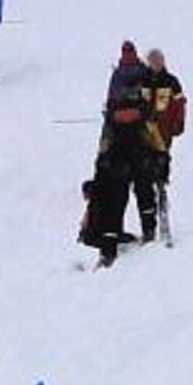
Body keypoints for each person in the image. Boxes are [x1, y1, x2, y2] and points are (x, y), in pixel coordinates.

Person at [80, 85, 156, 266]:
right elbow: (154, 141)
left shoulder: (113, 123)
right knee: (144, 196)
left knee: (113, 205)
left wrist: (97, 178)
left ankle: (108, 252)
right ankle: (149, 234)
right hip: (136, 160)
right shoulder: (143, 119)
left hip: (117, 165)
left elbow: (104, 148)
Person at [139, 48, 187, 240]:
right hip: (145, 132)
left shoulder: (171, 81)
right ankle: (152, 213)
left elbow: (181, 104)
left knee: (161, 165)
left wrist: (179, 123)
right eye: (153, 62)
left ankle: (163, 200)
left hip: (163, 132)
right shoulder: (144, 80)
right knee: (145, 171)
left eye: (158, 61)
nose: (156, 65)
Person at [107, 40, 148, 106]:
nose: (127, 54)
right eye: (125, 51)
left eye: (130, 50)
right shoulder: (117, 74)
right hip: (121, 106)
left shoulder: (143, 70)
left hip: (141, 105)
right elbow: (113, 93)